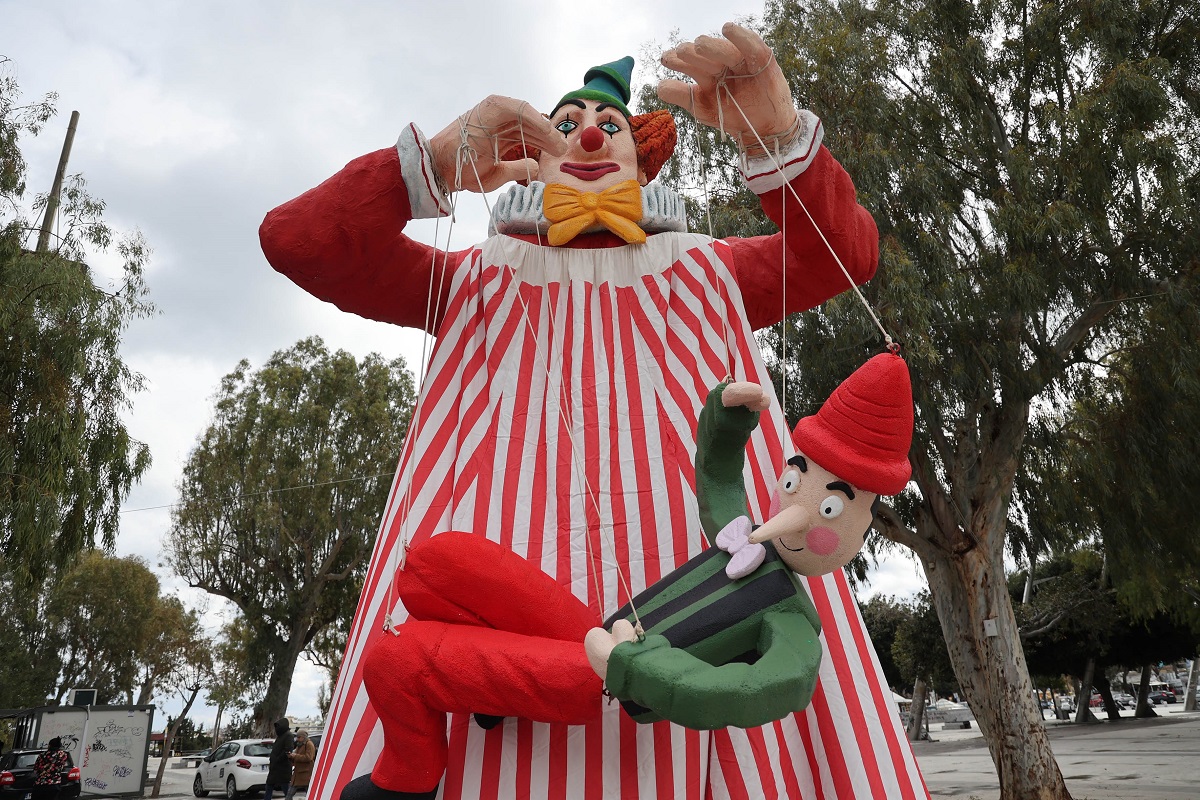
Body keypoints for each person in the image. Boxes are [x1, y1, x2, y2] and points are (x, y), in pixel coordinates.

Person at [261, 21, 899, 800]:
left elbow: (846, 255)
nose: (589, 135)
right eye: (564, 127)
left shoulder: (712, 267)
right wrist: (435, 162)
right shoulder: (471, 278)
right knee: (431, 586)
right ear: (531, 160)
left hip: (710, 594)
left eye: (610, 127)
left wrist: (778, 137)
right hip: (498, 595)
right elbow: (297, 242)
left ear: (644, 159)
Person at [585, 353, 913, 729]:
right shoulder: (740, 534)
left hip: (611, 679)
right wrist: (728, 421)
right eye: (792, 481)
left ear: (859, 535)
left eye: (829, 510)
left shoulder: (793, 622)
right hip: (601, 640)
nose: (796, 516)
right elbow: (719, 479)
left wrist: (641, 670)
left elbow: (751, 690)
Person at [263, 718, 294, 800]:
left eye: (278, 726)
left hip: (283, 768)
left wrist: (278, 759)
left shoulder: (288, 735)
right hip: (274, 768)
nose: (277, 728)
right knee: (269, 787)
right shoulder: (280, 736)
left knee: (285, 788)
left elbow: (288, 750)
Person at [285, 730, 316, 800]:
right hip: (298, 773)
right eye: (297, 737)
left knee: (310, 792)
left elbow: (309, 757)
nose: (297, 739)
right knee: (289, 793)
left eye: (299, 737)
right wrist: (291, 756)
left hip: (306, 773)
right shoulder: (300, 745)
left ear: (303, 737)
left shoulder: (309, 744)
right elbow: (297, 756)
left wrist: (295, 756)